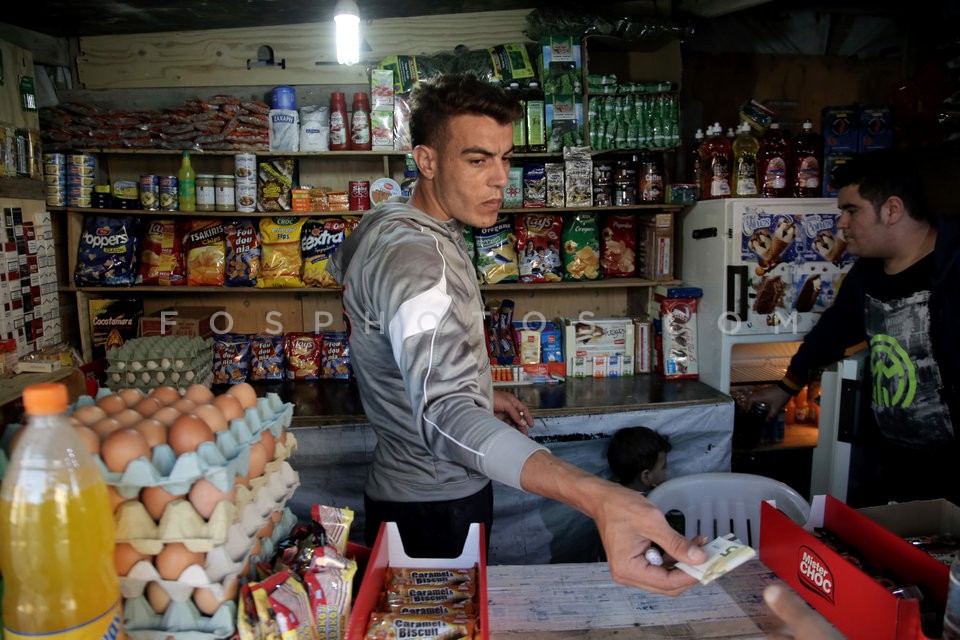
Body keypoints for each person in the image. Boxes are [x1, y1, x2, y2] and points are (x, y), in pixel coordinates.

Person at [328, 74, 707, 595]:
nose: (501, 179)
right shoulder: (419, 258)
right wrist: (596, 495)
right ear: (428, 160)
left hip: (400, 488)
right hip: (435, 503)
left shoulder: (389, 221)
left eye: (505, 158)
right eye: (478, 159)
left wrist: (478, 391)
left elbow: (344, 273)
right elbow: (443, 416)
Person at [749, 147, 959, 506]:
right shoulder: (867, 272)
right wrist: (787, 385)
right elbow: (833, 331)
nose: (841, 223)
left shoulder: (953, 265)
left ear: (892, 210)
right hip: (895, 464)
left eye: (851, 210)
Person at [607, 426, 672, 495]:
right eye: (663, 467)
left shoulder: (611, 487)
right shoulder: (648, 501)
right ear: (646, 476)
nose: (667, 468)